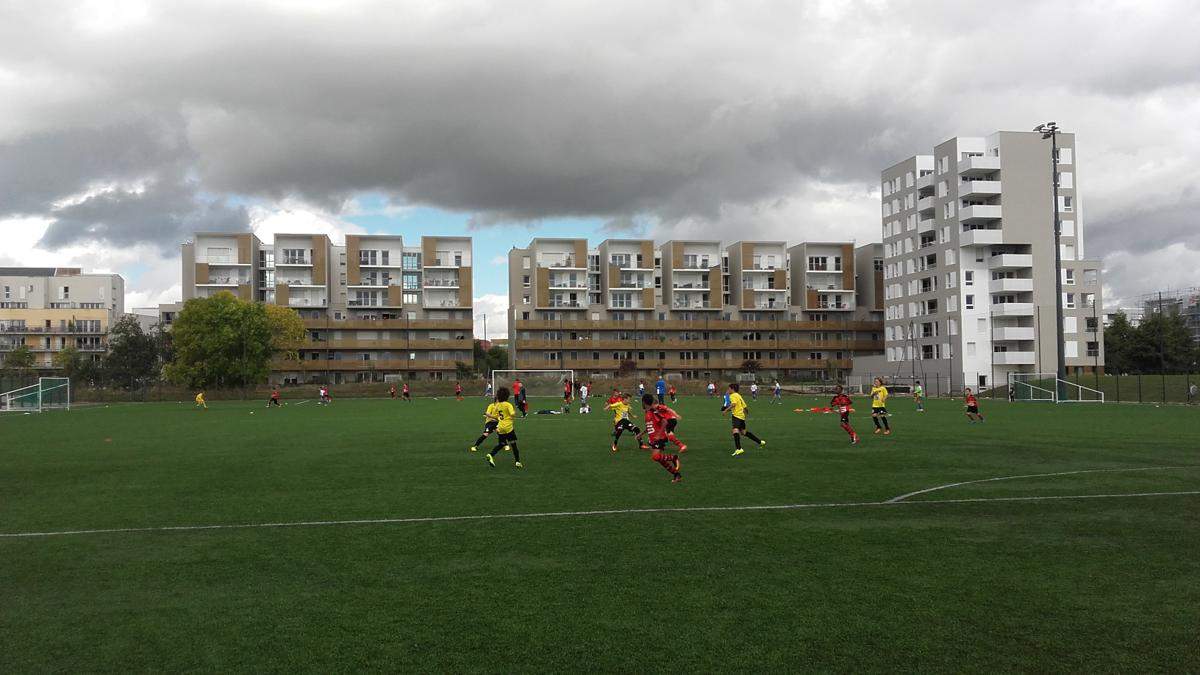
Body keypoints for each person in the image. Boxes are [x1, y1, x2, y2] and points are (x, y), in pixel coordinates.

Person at [640, 394, 682, 483]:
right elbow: (649, 426)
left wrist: (659, 434)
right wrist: (641, 434)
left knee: (655, 457)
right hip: (653, 439)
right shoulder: (647, 413)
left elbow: (664, 422)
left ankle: (674, 459)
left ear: (644, 402)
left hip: (659, 438)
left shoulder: (654, 412)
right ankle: (676, 473)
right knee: (658, 458)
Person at [722, 383, 765, 457]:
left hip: (736, 416)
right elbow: (744, 405)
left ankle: (739, 449)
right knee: (743, 432)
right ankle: (760, 442)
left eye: (729, 389)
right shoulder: (738, 395)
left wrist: (725, 410)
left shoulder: (732, 396)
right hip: (742, 417)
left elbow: (733, 404)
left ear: (732, 389)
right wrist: (746, 411)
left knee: (735, 430)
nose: (728, 390)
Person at [484, 387, 522, 469]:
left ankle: (491, 455)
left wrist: (489, 415)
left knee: (502, 444)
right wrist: (514, 414)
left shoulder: (498, 405)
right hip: (508, 428)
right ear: (507, 396)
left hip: (500, 428)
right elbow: (512, 414)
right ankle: (518, 462)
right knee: (513, 445)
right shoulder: (508, 405)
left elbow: (496, 417)